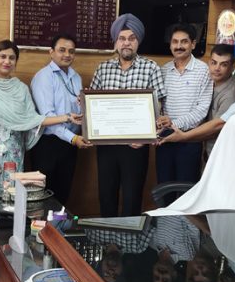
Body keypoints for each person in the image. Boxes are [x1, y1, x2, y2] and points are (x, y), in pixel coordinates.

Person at [0, 39, 81, 205]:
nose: (7, 61)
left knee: (12, 204)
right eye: (2, 56)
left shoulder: (21, 89)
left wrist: (67, 117)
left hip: (14, 157)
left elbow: (34, 120)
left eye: (12, 58)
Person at [90, 14, 166, 217]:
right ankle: (109, 245)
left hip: (136, 146)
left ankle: (129, 247)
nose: (126, 43)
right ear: (116, 42)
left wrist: (146, 137)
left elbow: (159, 110)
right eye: (122, 38)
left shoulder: (150, 68)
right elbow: (93, 105)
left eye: (131, 38)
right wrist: (86, 106)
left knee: (132, 198)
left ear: (138, 41)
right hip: (106, 146)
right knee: (106, 196)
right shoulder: (103, 68)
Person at [30, 33, 91, 204]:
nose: (67, 55)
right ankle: (41, 231)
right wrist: (73, 138)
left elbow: (78, 114)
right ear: (51, 52)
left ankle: (57, 230)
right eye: (62, 50)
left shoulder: (76, 77)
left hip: (70, 145)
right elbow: (48, 117)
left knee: (63, 194)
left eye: (71, 51)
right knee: (44, 197)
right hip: (48, 145)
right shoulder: (44, 77)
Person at [156, 24, 212, 186]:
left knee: (185, 190)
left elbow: (202, 109)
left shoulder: (204, 70)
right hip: (164, 138)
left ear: (193, 44)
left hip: (190, 140)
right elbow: (158, 104)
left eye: (184, 42)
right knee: (164, 187)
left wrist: (174, 124)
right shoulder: (163, 70)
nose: (179, 46)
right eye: (175, 42)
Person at [204, 44, 235, 159]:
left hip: (221, 152)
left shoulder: (231, 93)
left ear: (233, 67)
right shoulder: (207, 81)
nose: (217, 68)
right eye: (214, 63)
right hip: (206, 147)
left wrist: (184, 136)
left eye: (223, 64)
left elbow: (215, 129)